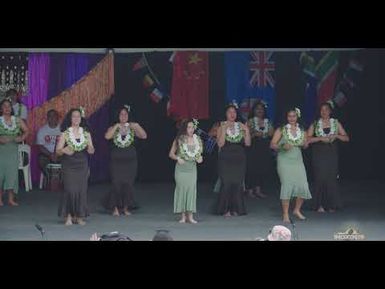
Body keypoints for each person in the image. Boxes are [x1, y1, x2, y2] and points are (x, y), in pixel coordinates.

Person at [104, 105, 147, 216]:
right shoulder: (113, 127)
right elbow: (107, 137)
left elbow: (144, 136)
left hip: (130, 162)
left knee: (128, 184)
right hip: (116, 162)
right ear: (117, 116)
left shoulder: (132, 128)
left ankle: (126, 207)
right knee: (116, 184)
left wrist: (136, 126)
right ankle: (115, 208)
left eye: (125, 114)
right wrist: (117, 126)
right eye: (121, 114)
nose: (123, 116)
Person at [270, 107, 311, 223]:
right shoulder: (281, 130)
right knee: (287, 185)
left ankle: (297, 210)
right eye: (290, 116)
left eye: (294, 116)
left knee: (303, 185)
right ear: (286, 117)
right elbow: (272, 144)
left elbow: (306, 145)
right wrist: (282, 146)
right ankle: (285, 214)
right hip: (284, 160)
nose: (292, 118)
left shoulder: (302, 130)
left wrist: (305, 144)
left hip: (297, 160)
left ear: (297, 117)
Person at [307, 101, 349, 213]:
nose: (324, 112)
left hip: (331, 154)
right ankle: (319, 205)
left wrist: (336, 135)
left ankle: (332, 205)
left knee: (331, 178)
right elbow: (306, 140)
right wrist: (320, 138)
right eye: (322, 110)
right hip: (319, 154)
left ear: (330, 111)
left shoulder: (336, 123)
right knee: (320, 178)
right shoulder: (315, 124)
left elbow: (346, 138)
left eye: (326, 109)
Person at [56, 107, 95, 225]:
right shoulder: (65, 134)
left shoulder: (86, 134)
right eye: (74, 116)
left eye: (78, 116)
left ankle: (79, 216)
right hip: (69, 165)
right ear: (70, 118)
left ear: (81, 118)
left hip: (82, 164)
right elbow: (57, 151)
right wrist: (64, 150)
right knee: (70, 190)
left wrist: (90, 148)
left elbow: (91, 150)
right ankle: (68, 216)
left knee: (81, 190)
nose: (76, 118)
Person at [216, 103, 251, 217]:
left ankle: (237, 209)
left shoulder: (241, 126)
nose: (232, 114)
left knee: (237, 183)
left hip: (239, 158)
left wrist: (246, 130)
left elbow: (248, 143)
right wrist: (224, 129)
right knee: (226, 183)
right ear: (225, 114)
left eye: (234, 112)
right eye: (229, 112)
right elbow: (220, 143)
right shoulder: (221, 126)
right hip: (225, 157)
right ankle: (224, 209)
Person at [169, 119, 203, 223]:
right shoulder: (179, 139)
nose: (191, 129)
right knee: (182, 190)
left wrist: (200, 158)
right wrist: (177, 158)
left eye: (192, 127)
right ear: (184, 128)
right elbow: (171, 154)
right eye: (189, 127)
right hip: (181, 169)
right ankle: (183, 216)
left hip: (192, 168)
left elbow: (199, 154)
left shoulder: (197, 139)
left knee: (191, 190)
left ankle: (191, 216)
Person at [0, 98, 29, 206]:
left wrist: (21, 138)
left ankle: (11, 199)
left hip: (12, 150)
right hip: (1, 151)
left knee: (12, 174)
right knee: (0, 174)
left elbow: (27, 131)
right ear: (1, 109)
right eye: (4, 106)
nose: (7, 108)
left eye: (9, 106)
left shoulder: (17, 120)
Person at [245, 100, 274, 198]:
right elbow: (245, 134)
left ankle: (258, 190)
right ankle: (249, 190)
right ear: (254, 110)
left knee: (262, 168)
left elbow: (272, 133)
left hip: (264, 148)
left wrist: (264, 134)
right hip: (253, 147)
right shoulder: (250, 121)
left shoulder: (267, 122)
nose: (260, 111)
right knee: (251, 168)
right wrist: (254, 134)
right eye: (257, 109)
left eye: (261, 109)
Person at [36, 109, 62, 177]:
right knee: (40, 159)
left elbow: (66, 144)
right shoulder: (42, 130)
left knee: (70, 158)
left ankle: (61, 178)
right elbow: (40, 146)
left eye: (54, 116)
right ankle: (49, 177)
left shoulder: (63, 129)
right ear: (47, 118)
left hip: (60, 154)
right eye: (50, 116)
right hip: (47, 155)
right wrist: (50, 154)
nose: (52, 118)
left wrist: (57, 154)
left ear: (57, 117)